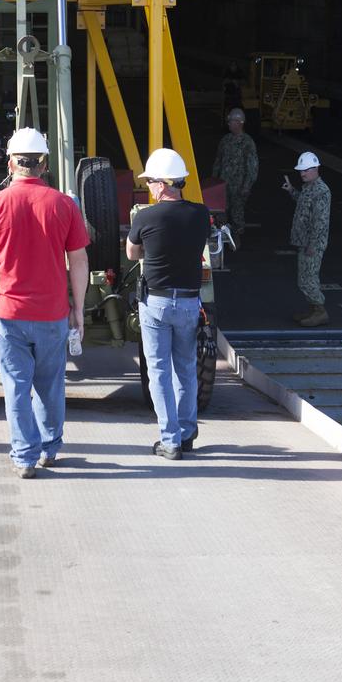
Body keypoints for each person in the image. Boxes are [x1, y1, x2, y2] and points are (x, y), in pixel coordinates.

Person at [0, 127, 89, 478]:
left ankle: (24, 456)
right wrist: (78, 310)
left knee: (16, 387)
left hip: (7, 314)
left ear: (10, 164)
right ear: (45, 163)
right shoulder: (64, 205)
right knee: (50, 384)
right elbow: (79, 261)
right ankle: (49, 448)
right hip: (52, 314)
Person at [126, 148, 211, 460]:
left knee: (159, 370)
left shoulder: (146, 216)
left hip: (156, 303)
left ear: (162, 184)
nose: (148, 186)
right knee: (186, 367)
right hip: (189, 303)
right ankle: (187, 432)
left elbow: (132, 254)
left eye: (150, 181)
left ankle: (170, 440)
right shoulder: (201, 214)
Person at [281, 150, 331, 327]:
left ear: (316, 168)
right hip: (304, 241)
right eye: (301, 170)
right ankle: (313, 309)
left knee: (307, 278)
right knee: (305, 277)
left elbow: (320, 221)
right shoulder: (309, 187)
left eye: (306, 170)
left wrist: (312, 244)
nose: (302, 173)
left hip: (312, 243)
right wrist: (292, 191)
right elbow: (304, 203)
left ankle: (320, 311)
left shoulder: (321, 191)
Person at [211, 107, 258, 247]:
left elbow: (252, 167)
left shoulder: (248, 143)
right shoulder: (226, 140)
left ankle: (236, 237)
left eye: (231, 121)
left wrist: (246, 186)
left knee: (237, 213)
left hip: (239, 186)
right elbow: (218, 161)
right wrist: (214, 181)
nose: (229, 123)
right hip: (223, 185)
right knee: (221, 211)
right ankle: (222, 238)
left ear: (239, 122)